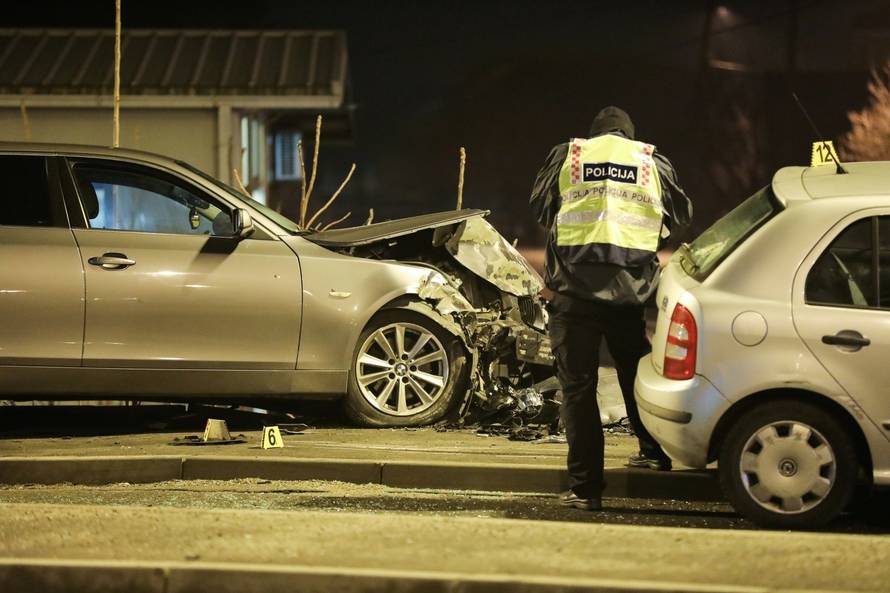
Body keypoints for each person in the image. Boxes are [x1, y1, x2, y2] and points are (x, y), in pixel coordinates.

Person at [529, 106, 692, 511]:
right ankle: (653, 452)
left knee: (578, 390)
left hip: (574, 292)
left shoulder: (569, 155)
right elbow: (681, 215)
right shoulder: (650, 161)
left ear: (594, 134)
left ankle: (586, 489)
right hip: (629, 293)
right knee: (635, 372)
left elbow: (541, 209)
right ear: (629, 134)